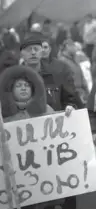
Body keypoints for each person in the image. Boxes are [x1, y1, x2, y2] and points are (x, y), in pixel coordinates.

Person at [0, 65, 74, 209]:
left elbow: (61, 140)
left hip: (47, 186)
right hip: (19, 186)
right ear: (10, 89)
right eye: (19, 86)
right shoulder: (3, 117)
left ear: (33, 88)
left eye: (27, 85)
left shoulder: (47, 110)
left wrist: (69, 115)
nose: (23, 88)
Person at [21, 33, 83, 112]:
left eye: (36, 49)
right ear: (22, 53)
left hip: (55, 121)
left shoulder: (57, 72)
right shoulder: (13, 78)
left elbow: (70, 100)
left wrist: (70, 107)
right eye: (29, 49)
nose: (33, 52)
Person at [58, 39, 89, 104]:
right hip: (73, 96)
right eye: (73, 46)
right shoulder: (62, 61)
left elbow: (82, 76)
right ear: (67, 46)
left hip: (82, 94)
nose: (75, 48)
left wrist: (87, 91)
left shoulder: (74, 60)